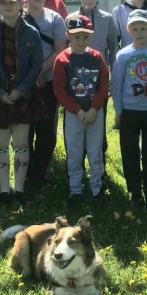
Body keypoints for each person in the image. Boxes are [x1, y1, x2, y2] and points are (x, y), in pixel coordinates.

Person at [0, 0, 43, 205]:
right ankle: (3, 190)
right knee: (0, 145)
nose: (7, 6)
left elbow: (36, 65)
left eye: (12, 2)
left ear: (21, 4)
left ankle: (19, 189)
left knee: (21, 143)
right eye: (3, 2)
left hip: (22, 96)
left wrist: (21, 90)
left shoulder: (31, 32)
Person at [111, 9, 147, 208]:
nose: (139, 31)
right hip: (129, 112)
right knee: (130, 152)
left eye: (143, 28)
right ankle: (135, 191)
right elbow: (116, 85)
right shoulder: (123, 55)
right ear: (128, 30)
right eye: (134, 28)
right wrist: (118, 112)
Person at [53, 15, 110, 205]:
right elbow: (59, 91)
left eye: (85, 37)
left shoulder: (96, 57)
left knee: (95, 151)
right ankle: (75, 189)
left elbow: (103, 85)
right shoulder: (62, 59)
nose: (80, 41)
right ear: (67, 35)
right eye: (76, 36)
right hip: (73, 114)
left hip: (95, 112)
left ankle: (97, 188)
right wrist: (78, 110)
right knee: (75, 152)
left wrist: (94, 108)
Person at [70, 0, 119, 170]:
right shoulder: (71, 20)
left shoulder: (107, 19)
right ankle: (77, 168)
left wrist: (112, 80)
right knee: (76, 126)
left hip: (99, 83)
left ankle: (99, 168)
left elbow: (114, 50)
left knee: (98, 126)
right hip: (76, 83)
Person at [23, 0, 67, 192]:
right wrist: (30, 76)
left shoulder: (55, 19)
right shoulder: (18, 17)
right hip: (23, 84)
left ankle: (39, 175)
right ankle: (25, 174)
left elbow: (60, 49)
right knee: (24, 130)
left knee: (46, 131)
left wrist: (38, 71)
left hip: (48, 82)